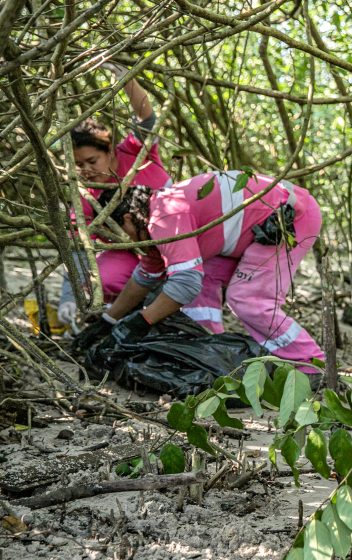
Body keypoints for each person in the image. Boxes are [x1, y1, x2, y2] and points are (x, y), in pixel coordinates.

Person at [74, 171, 325, 384]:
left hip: (289, 218)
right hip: (256, 229)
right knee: (203, 281)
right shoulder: (156, 222)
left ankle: (311, 364)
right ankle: (211, 349)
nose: (121, 241)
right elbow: (146, 275)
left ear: (128, 218)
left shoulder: (164, 217)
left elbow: (184, 285)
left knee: (247, 299)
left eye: (117, 232)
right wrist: (108, 320)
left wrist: (142, 320)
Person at [57, 63, 173, 326]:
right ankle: (127, 315)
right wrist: (68, 298)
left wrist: (128, 82)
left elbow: (147, 120)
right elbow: (78, 248)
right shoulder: (86, 196)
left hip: (173, 238)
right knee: (101, 277)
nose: (86, 170)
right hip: (131, 256)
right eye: (79, 165)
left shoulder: (134, 153)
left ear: (109, 152)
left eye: (92, 160)